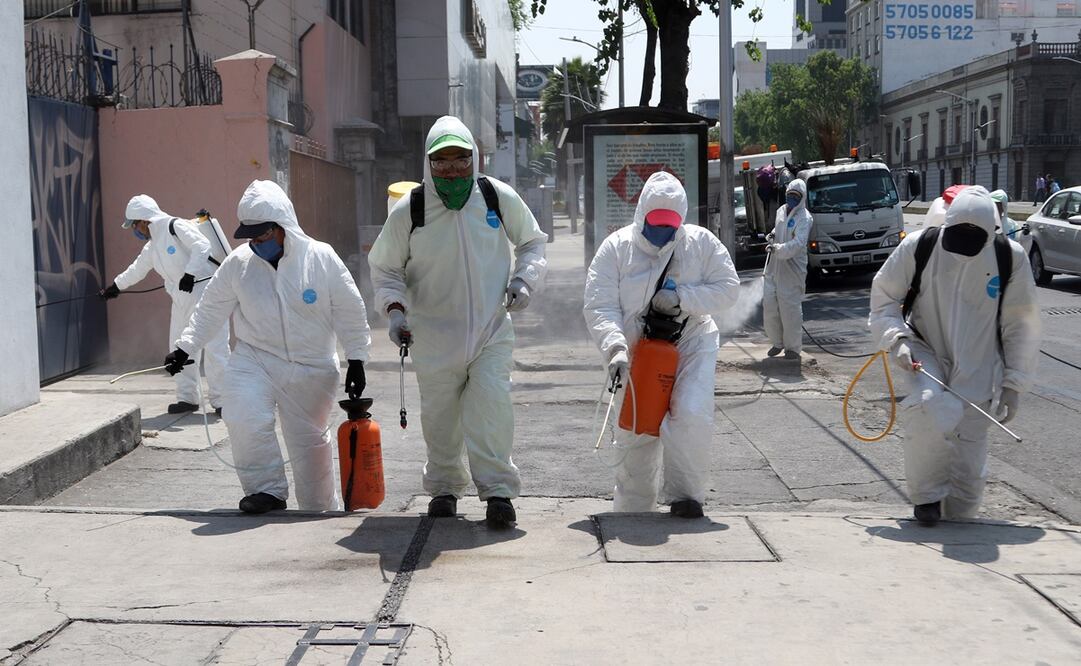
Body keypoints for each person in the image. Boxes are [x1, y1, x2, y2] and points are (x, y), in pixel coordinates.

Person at [368, 115, 548, 526]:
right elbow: (385, 268)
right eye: (442, 161)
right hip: (432, 337)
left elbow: (533, 242)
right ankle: (445, 488)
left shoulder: (496, 197)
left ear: (475, 158)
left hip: (490, 331)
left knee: (491, 409)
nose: (452, 170)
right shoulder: (410, 209)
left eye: (460, 159)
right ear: (428, 164)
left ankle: (498, 491)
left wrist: (524, 281)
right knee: (440, 419)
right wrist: (394, 311)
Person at [164, 180, 371, 514]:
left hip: (311, 365)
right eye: (251, 236)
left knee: (308, 442)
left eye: (263, 235)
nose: (256, 243)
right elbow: (211, 309)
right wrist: (185, 347)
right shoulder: (239, 264)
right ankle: (266, 491)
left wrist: (357, 359)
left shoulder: (320, 258)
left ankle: (320, 508)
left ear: (282, 225)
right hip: (255, 357)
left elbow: (350, 311)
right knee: (242, 413)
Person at [869, 186, 1040, 525]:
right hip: (924, 347)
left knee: (969, 460)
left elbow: (1020, 324)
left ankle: (959, 513)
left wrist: (1014, 384)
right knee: (930, 408)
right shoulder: (919, 247)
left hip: (978, 360)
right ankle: (926, 498)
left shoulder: (1011, 258)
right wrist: (897, 339)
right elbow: (884, 296)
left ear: (991, 234)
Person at [584, 171, 740, 517]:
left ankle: (686, 496)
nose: (662, 230)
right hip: (636, 348)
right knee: (637, 427)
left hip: (691, 342)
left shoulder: (700, 243)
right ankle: (634, 509)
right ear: (642, 215)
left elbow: (728, 288)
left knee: (690, 413)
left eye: (670, 223)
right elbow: (600, 303)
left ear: (681, 220)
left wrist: (683, 297)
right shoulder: (617, 248)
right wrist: (615, 347)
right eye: (656, 221)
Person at [100, 195, 230, 415]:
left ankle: (223, 401)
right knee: (179, 347)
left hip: (206, 293)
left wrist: (190, 273)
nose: (135, 231)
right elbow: (137, 269)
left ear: (143, 221)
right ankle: (188, 398)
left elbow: (202, 245)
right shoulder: (153, 246)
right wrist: (115, 287)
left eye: (134, 225)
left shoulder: (174, 226)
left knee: (215, 348)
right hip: (181, 299)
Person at [762, 179, 813, 360]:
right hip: (774, 267)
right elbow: (779, 229)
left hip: (792, 270)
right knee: (769, 306)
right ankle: (777, 343)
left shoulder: (804, 218)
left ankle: (792, 348)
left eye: (796, 196)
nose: (792, 199)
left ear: (802, 197)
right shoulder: (781, 211)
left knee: (789, 310)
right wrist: (773, 235)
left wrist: (777, 249)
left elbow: (798, 244)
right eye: (789, 195)